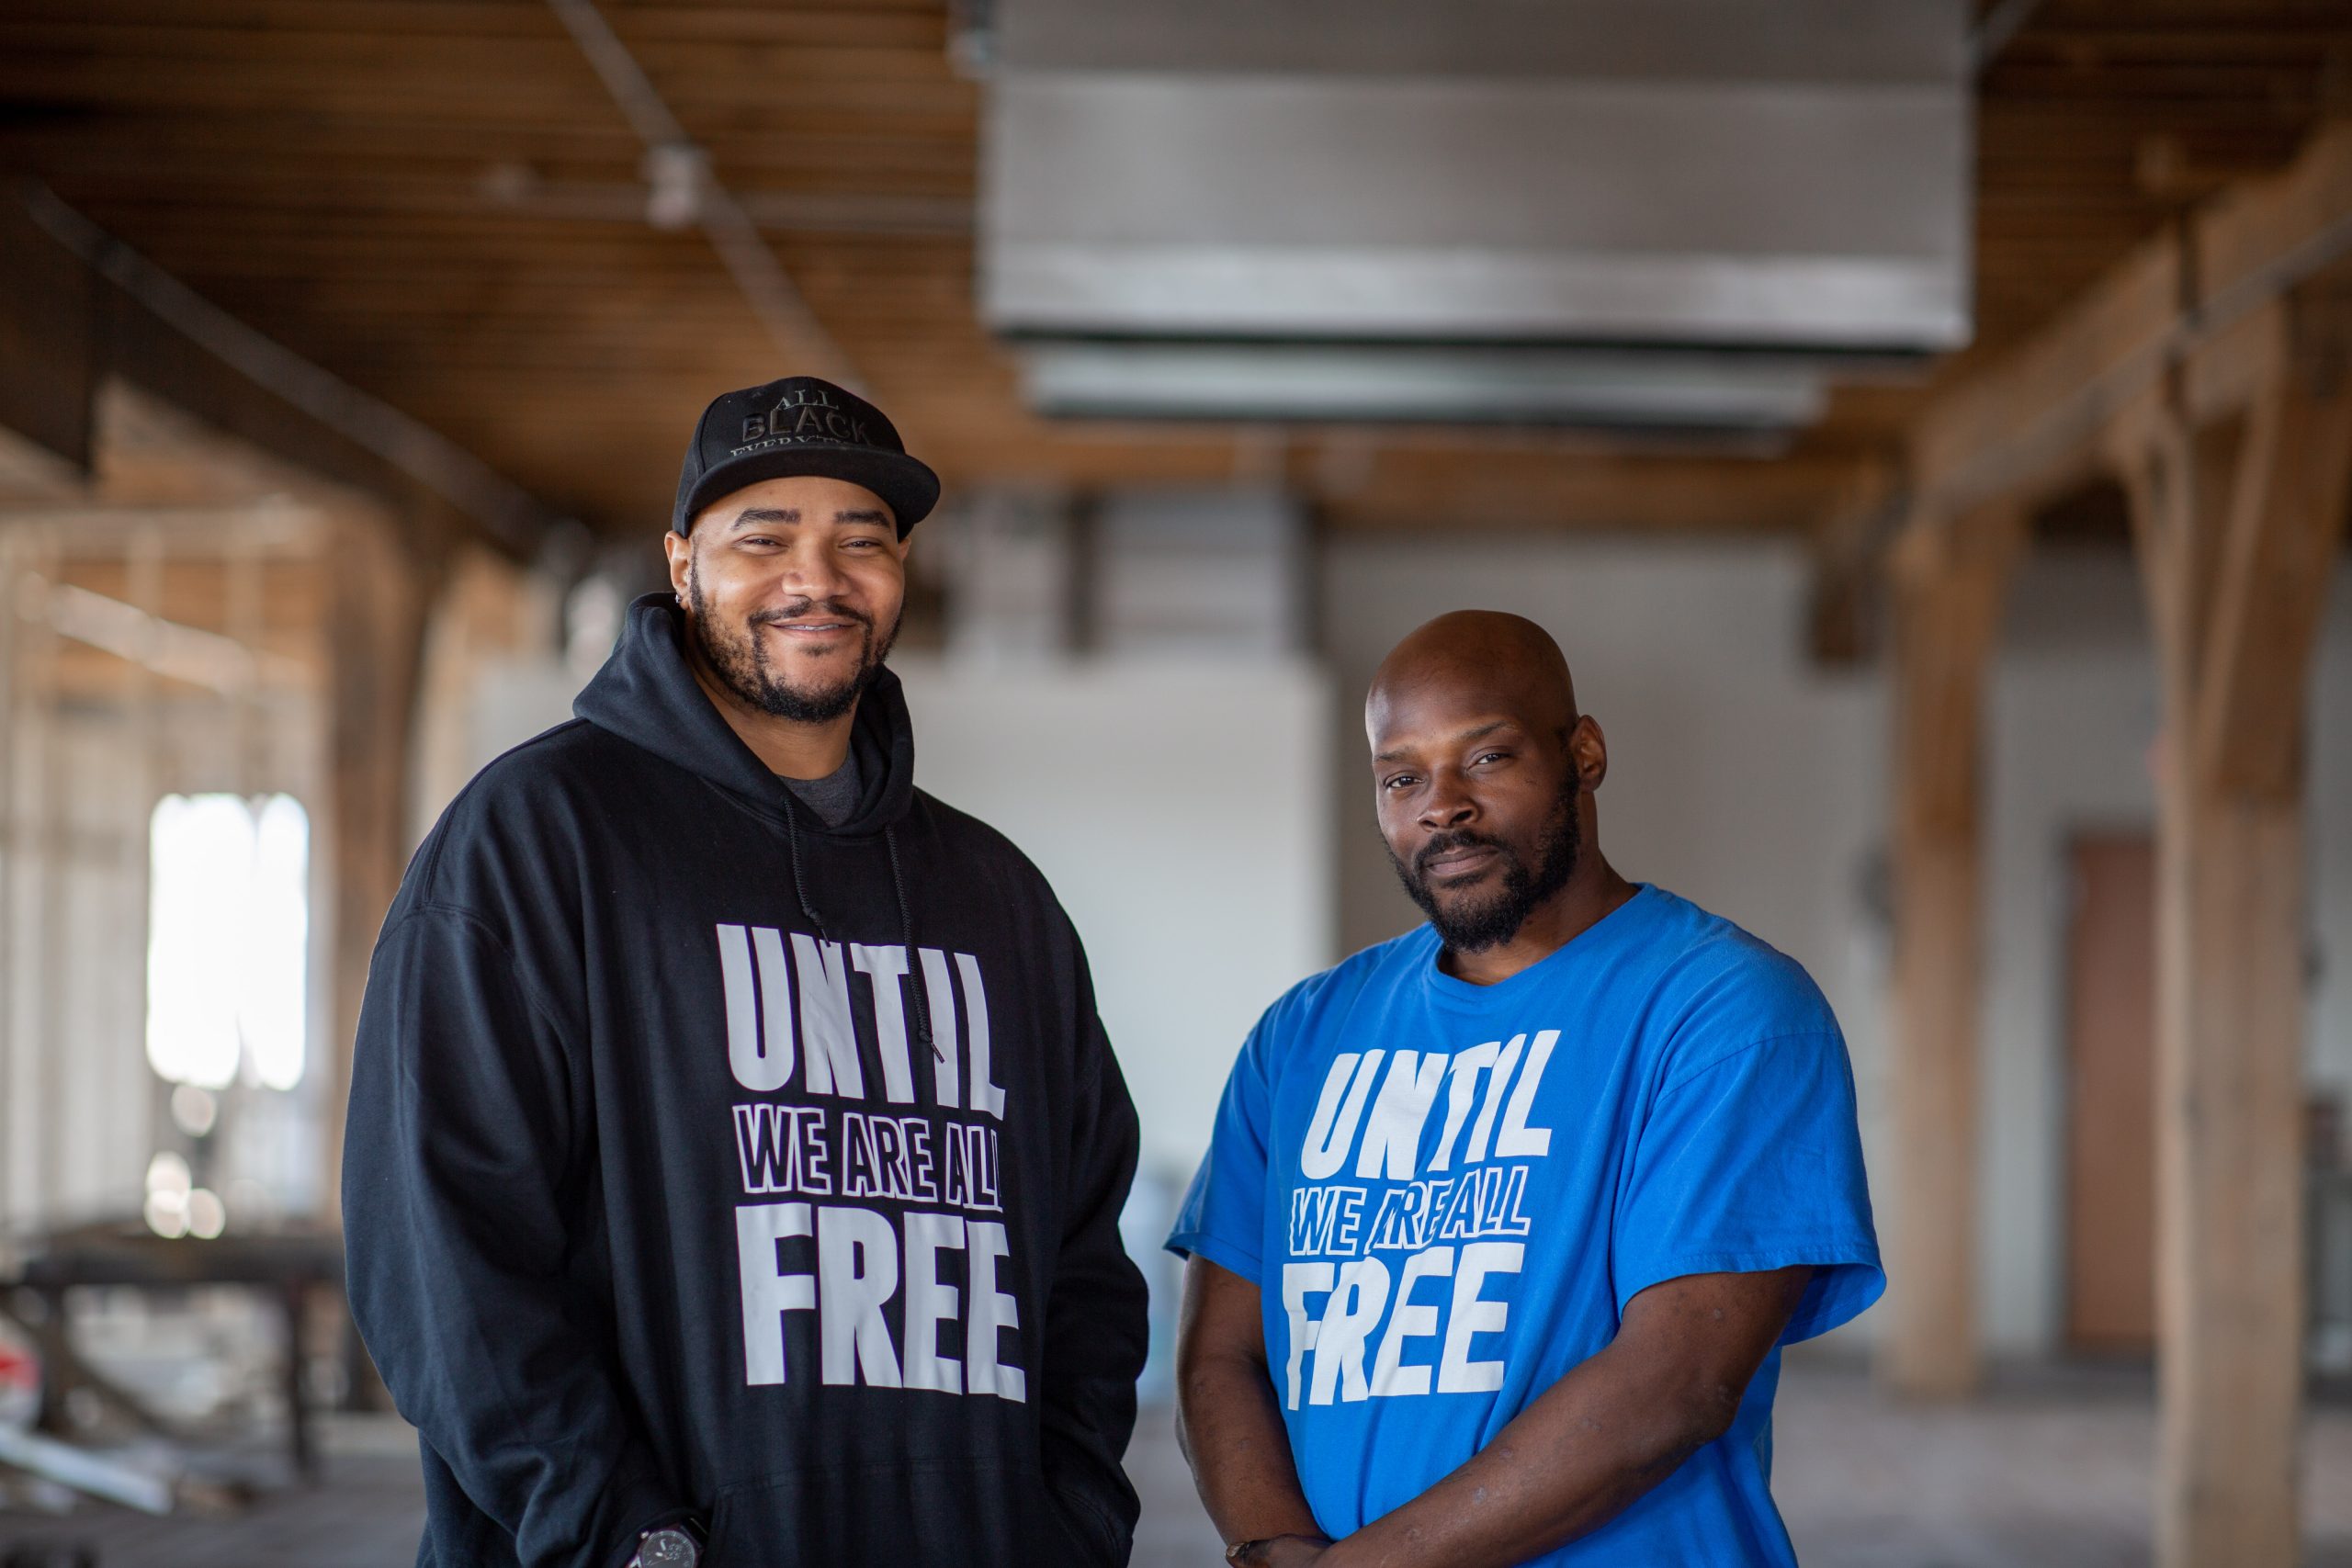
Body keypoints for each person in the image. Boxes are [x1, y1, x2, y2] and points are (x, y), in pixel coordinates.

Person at [344, 376, 1149, 1568]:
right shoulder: (536, 837)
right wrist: (626, 1538)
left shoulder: (1000, 898)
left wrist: (1068, 1521)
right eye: (762, 537)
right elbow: (441, 1254)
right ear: (681, 564)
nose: (815, 577)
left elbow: (1086, 1259)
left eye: (859, 540)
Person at [1169, 610, 1883, 1568]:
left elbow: (1678, 1381)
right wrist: (1272, 1547)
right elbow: (1222, 1354)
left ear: (1581, 753)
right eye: (1401, 777)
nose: (1441, 806)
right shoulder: (1303, 1034)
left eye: (1487, 759)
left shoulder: (1725, 1009)